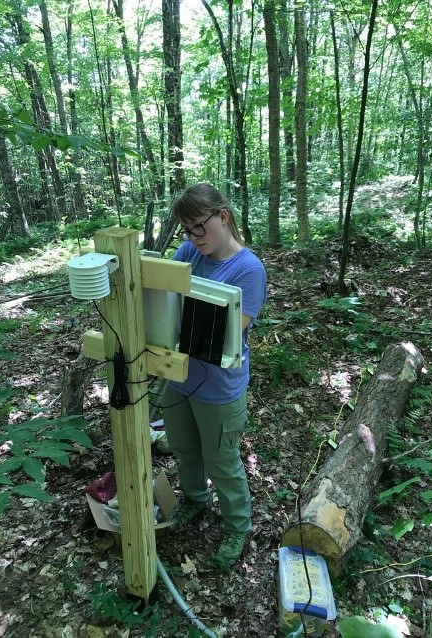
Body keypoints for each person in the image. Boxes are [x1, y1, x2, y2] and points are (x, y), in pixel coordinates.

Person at [161, 182, 267, 567]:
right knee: (185, 448)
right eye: (186, 230)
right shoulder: (191, 250)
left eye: (198, 227)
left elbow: (229, 331)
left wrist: (175, 327)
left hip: (219, 387)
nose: (192, 238)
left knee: (221, 461)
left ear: (222, 216)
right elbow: (163, 286)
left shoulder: (248, 269)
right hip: (178, 376)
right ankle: (194, 500)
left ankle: (237, 526)